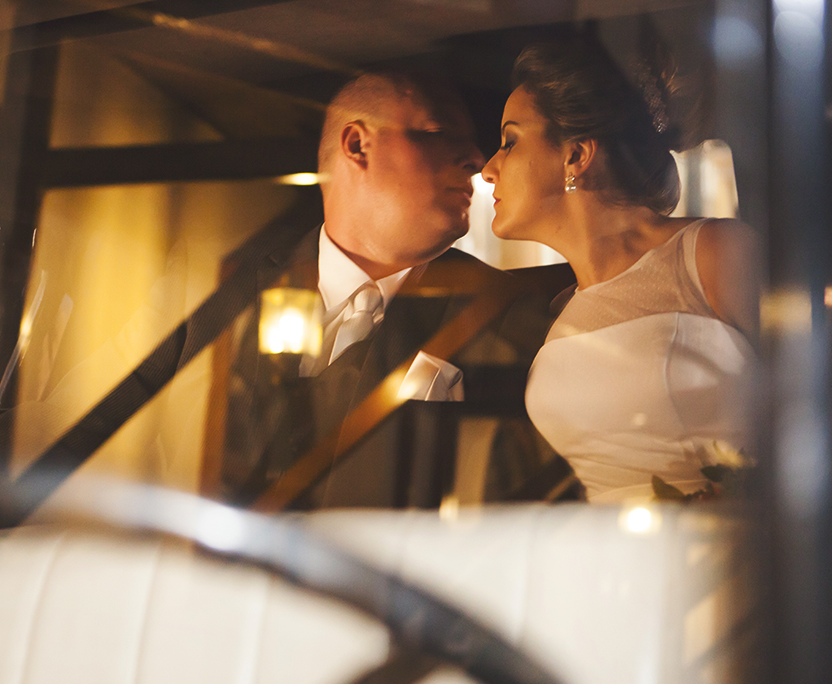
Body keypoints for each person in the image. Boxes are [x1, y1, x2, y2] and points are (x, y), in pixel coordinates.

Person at [217, 70, 553, 507]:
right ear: (358, 146)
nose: (476, 158)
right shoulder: (235, 304)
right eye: (439, 131)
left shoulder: (511, 317)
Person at [479, 40, 759, 502]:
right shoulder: (561, 310)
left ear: (575, 156)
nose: (490, 169)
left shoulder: (712, 254)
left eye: (510, 142)